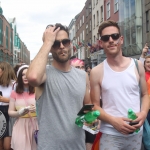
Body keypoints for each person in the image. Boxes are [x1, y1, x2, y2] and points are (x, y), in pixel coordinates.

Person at [26, 23, 91, 150]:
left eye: (65, 42)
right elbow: (33, 77)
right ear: (50, 47)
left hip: (78, 146)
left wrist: (89, 141)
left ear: (70, 44)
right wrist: (47, 42)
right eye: (56, 43)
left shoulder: (83, 75)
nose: (61, 46)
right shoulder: (44, 75)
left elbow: (87, 108)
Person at [90, 20, 150, 150]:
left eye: (115, 36)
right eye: (106, 38)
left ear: (121, 39)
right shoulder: (96, 72)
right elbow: (94, 106)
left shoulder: (137, 65)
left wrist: (144, 113)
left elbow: (145, 95)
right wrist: (113, 121)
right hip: (111, 135)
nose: (111, 40)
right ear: (101, 43)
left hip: (135, 134)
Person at [8, 64, 38, 150]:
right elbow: (10, 112)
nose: (25, 77)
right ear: (19, 77)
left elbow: (46, 109)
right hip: (20, 126)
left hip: (35, 125)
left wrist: (38, 110)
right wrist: (18, 113)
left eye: (27, 74)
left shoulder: (38, 91)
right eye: (23, 75)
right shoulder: (14, 93)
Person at [71, 58, 97, 150]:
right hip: (73, 124)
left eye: (82, 67)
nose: (81, 69)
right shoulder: (69, 85)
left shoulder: (90, 82)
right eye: (77, 67)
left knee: (90, 144)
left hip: (88, 120)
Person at [0, 62, 16, 150]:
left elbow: (20, 101)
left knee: (7, 146)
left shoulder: (14, 85)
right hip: (0, 114)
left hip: (9, 115)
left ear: (5, 71)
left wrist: (5, 100)